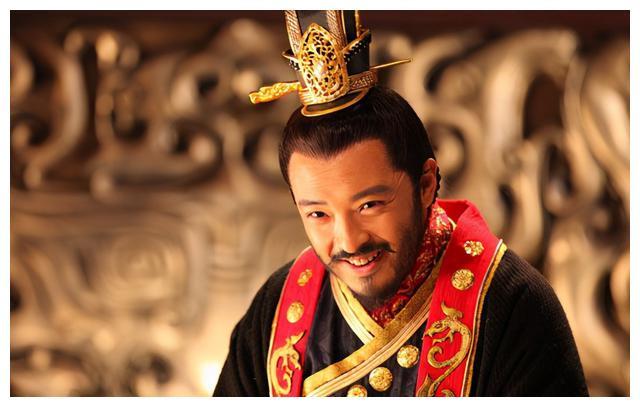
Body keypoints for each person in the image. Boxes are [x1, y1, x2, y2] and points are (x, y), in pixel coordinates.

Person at [213, 10, 588, 397]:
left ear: (426, 185)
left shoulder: (511, 306)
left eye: (369, 206)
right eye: (318, 214)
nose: (349, 241)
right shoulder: (279, 306)